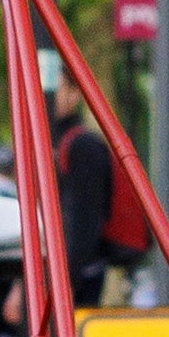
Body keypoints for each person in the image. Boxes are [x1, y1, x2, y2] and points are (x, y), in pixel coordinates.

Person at [49, 95, 124, 313]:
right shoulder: (57, 141)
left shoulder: (81, 146)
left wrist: (69, 279)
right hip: (64, 269)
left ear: (73, 95)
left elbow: (85, 219)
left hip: (78, 273)